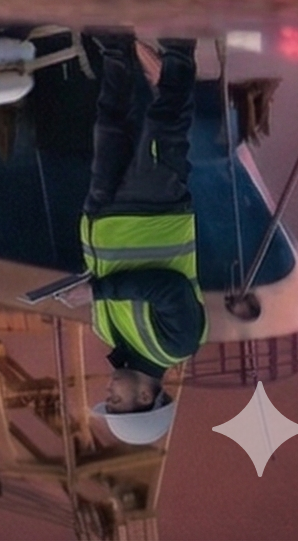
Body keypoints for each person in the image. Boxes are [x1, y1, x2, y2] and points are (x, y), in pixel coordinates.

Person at [79, 30, 203, 446]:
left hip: (104, 213)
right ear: (147, 396)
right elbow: (166, 289)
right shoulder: (179, 343)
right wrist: (99, 290)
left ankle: (115, 45)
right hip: (155, 209)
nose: (108, 396)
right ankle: (180, 49)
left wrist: (87, 288)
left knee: (109, 122)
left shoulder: (108, 335)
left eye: (107, 402)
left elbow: (104, 282)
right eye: (117, 403)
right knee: (164, 125)